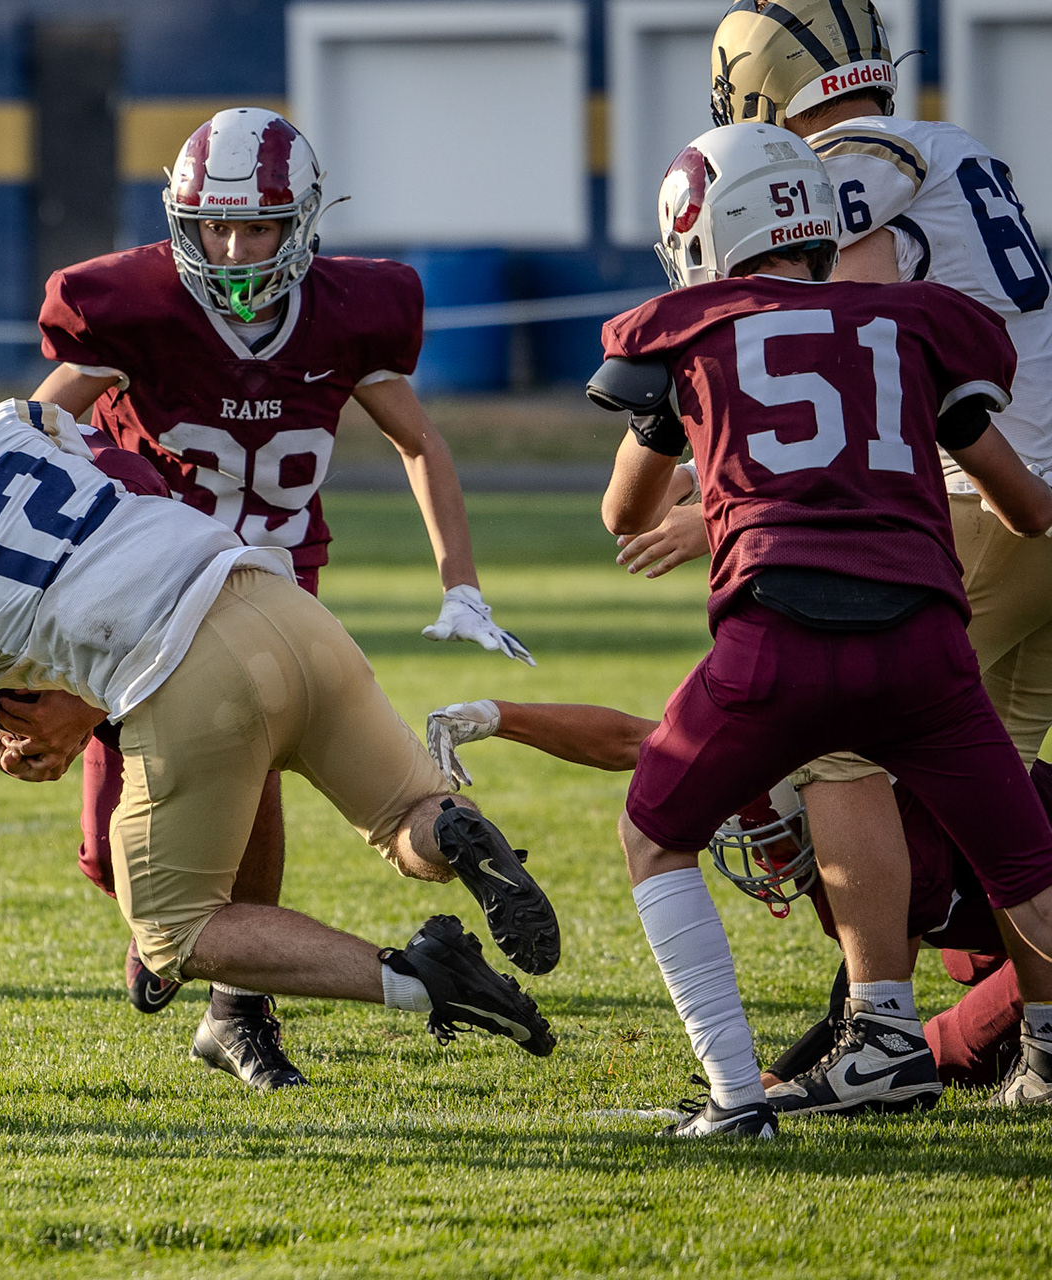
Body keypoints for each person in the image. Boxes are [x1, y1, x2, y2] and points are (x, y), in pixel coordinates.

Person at [0, 109, 535, 1097]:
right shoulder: (12, 425)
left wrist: (73, 706)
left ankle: (233, 1005)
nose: (231, 248)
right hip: (154, 607)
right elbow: (117, 478)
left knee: (161, 854)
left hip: (118, 637)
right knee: (62, 848)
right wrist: (7, 724)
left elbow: (100, 576)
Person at [17, 106, 533, 1088]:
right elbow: (36, 432)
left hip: (271, 590)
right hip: (138, 593)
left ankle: (239, 1005)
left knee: (252, 782)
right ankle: (206, 942)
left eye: (258, 225)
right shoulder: (128, 304)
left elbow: (418, 439)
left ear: (302, 221)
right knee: (108, 855)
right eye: (216, 225)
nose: (235, 246)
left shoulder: (350, 309)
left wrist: (461, 579)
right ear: (183, 219)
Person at [590, 120, 1052, 1136]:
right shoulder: (916, 323)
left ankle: (734, 1096)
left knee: (653, 833)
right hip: (927, 645)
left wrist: (671, 422)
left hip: (776, 645)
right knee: (1028, 864)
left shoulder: (691, 332)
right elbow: (1026, 508)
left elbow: (623, 515)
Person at [700, 0, 1052, 1112]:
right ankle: (1033, 1038)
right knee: (996, 793)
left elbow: (827, 338)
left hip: (983, 503)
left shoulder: (857, 168)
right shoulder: (953, 147)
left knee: (837, 741)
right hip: (1037, 501)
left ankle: (884, 1035)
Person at [425, 697, 1052, 1109]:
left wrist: (769, 1084)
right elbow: (638, 741)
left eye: (779, 835)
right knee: (964, 963)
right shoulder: (835, 777)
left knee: (943, 1049)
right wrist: (497, 715)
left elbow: (863, 1022)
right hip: (1010, 924)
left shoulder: (883, 822)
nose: (766, 854)